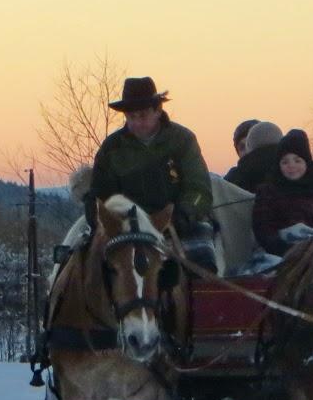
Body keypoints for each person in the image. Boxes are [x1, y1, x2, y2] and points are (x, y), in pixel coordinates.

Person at [86, 76, 217, 271]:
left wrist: (184, 215)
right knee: (95, 269)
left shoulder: (182, 140)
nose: (138, 122)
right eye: (132, 117)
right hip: (128, 231)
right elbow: (100, 195)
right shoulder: (111, 149)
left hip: (178, 227)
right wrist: (108, 222)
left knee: (203, 267)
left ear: (158, 110)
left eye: (143, 115)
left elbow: (199, 189)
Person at [252, 129, 313, 256]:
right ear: (278, 164)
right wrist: (283, 247)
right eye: (285, 162)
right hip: (278, 255)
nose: (291, 166)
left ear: (306, 162)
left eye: (297, 160)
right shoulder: (268, 193)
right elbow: (263, 228)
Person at [223, 121, 283, 193]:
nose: (247, 151)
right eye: (242, 147)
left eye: (252, 144)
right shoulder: (232, 181)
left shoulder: (288, 170)